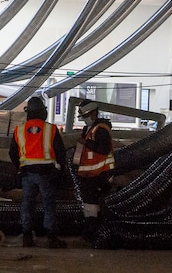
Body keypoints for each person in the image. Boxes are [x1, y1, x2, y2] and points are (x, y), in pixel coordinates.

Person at [9, 96, 67, 249]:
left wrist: (19, 167)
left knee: (27, 204)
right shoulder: (51, 129)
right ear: (43, 111)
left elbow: (12, 153)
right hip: (47, 174)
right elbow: (61, 153)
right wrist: (59, 171)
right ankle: (51, 238)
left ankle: (27, 236)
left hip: (27, 174)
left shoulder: (19, 130)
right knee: (48, 204)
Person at [73, 99, 115, 243]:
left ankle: (93, 232)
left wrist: (87, 143)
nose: (84, 120)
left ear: (94, 114)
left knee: (95, 204)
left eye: (85, 116)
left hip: (100, 174)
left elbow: (103, 149)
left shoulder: (101, 129)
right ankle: (91, 231)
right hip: (90, 175)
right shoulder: (90, 130)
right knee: (91, 204)